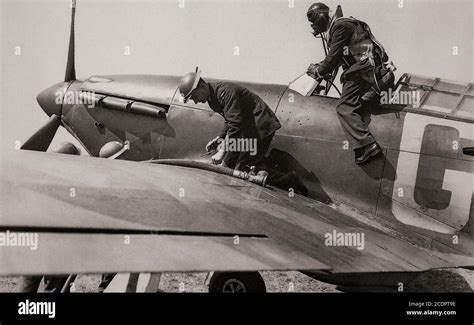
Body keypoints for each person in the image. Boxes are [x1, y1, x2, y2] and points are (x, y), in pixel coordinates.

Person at [306, 3, 395, 164]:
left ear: (321, 17)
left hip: (363, 71)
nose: (313, 26)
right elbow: (337, 57)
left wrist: (319, 70)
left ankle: (367, 146)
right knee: (355, 104)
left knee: (344, 107)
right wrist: (321, 67)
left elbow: (332, 60)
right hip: (369, 70)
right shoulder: (345, 24)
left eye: (314, 22)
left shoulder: (340, 26)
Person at [178, 68, 281, 171]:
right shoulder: (212, 99)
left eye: (195, 97)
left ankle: (277, 176)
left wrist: (222, 151)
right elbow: (230, 120)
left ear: (202, 86)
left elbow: (235, 124)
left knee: (239, 168)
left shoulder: (225, 92)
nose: (196, 102)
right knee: (231, 164)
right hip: (251, 128)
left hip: (261, 126)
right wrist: (220, 137)